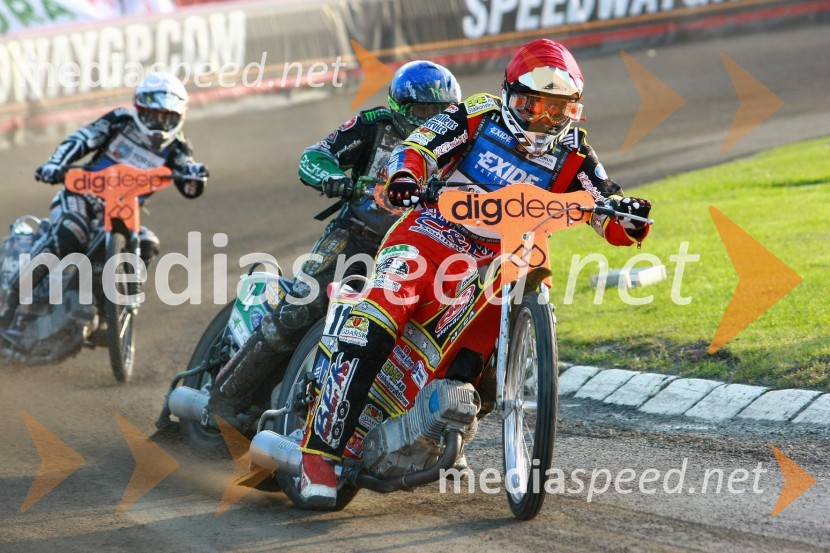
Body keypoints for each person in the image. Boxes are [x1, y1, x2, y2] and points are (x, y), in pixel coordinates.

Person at [298, 39, 653, 507]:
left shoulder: (574, 151)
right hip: (430, 233)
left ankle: (442, 430)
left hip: (503, 257)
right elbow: (419, 146)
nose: (543, 120)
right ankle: (318, 454)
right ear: (509, 95)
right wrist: (407, 175)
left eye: (558, 110)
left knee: (480, 361)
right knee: (381, 315)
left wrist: (626, 218)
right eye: (533, 105)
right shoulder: (476, 114)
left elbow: (602, 201)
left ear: (574, 110)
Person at [205, 61, 462, 430]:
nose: (430, 121)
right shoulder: (374, 124)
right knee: (299, 308)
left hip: (419, 251)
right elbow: (315, 155)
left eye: (440, 112)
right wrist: (334, 179)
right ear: (400, 108)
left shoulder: (460, 140)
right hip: (358, 234)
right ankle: (224, 398)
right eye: (423, 111)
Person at [0, 72, 208, 335]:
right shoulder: (120, 121)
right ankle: (14, 299)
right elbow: (81, 139)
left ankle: (112, 309)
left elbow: (189, 183)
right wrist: (56, 164)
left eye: (168, 117)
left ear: (179, 117)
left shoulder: (177, 148)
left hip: (122, 211)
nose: (159, 123)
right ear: (140, 109)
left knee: (148, 243)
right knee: (70, 235)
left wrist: (195, 176)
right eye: (154, 115)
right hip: (82, 198)